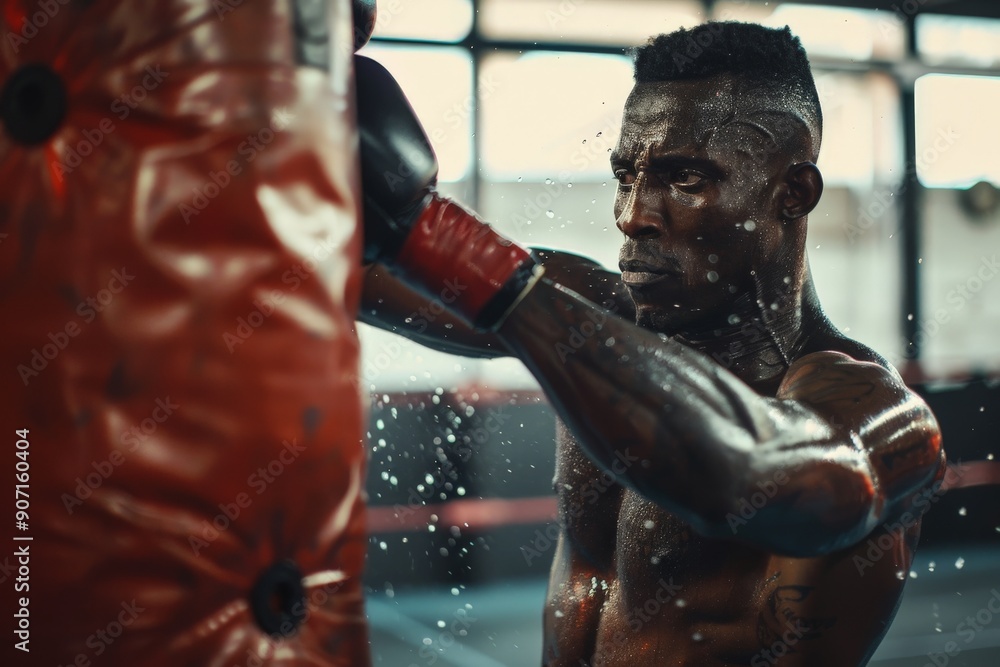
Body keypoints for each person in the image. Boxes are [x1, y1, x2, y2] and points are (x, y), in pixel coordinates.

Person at [358, 21, 946, 666]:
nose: (633, 213)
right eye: (625, 175)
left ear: (793, 193)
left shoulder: (870, 409)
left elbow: (751, 473)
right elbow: (342, 276)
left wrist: (443, 240)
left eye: (686, 179)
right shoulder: (598, 316)